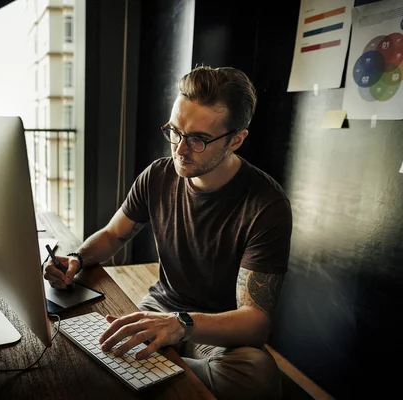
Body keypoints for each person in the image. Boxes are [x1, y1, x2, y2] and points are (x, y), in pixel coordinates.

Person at [44, 65, 292, 400]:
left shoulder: (267, 205)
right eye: (175, 131)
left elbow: (256, 321)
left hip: (216, 332)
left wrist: (182, 324)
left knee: (259, 376)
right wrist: (76, 259)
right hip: (160, 308)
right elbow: (114, 235)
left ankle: (155, 371)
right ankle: (164, 372)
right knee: (86, 340)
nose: (179, 148)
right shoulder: (158, 174)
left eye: (199, 139)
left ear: (236, 139)